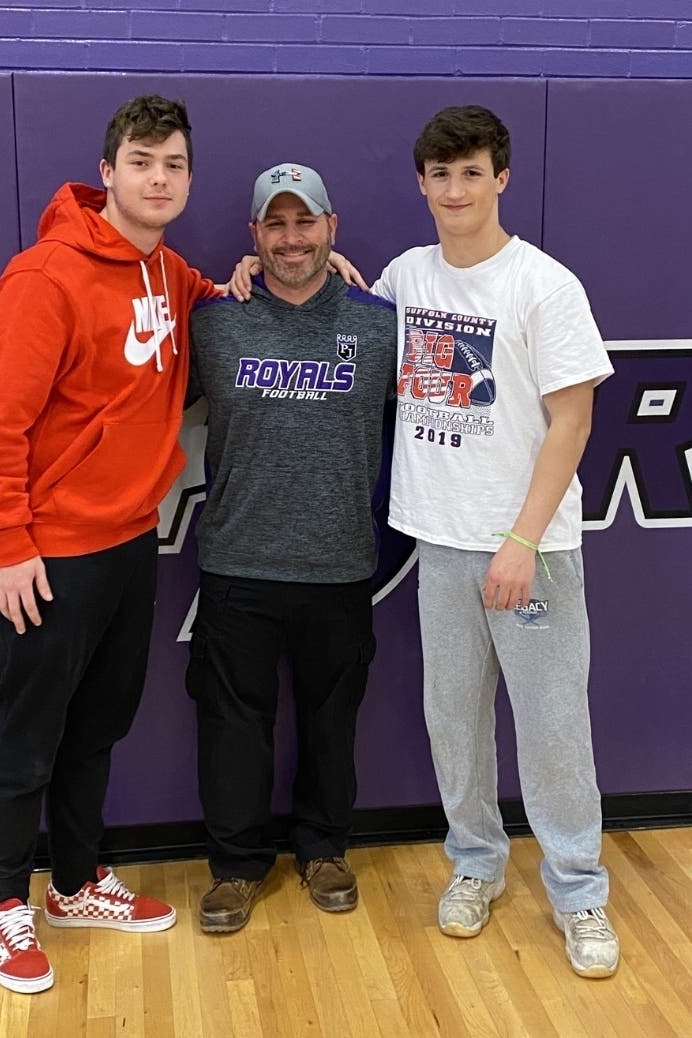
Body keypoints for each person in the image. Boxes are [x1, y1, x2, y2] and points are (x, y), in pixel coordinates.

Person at [0, 93, 238, 995]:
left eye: (175, 165)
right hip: (46, 553)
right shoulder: (45, 278)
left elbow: (212, 298)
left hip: (129, 542)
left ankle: (76, 882)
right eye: (142, 163)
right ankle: (5, 902)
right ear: (108, 171)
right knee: (27, 736)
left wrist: (244, 275)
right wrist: (9, 542)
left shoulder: (168, 272)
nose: (159, 179)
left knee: (97, 728)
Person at [368, 105, 621, 978]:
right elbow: (338, 310)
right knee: (454, 720)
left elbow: (573, 419)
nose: (455, 190)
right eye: (440, 175)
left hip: (529, 549)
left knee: (552, 725)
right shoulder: (405, 278)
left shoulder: (544, 285)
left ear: (501, 178)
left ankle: (579, 892)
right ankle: (475, 863)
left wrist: (520, 539)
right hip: (440, 543)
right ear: (421, 183)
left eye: (471, 173)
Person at [186, 162, 397, 933]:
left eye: (305, 221)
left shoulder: (381, 324)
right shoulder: (214, 322)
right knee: (232, 727)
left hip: (339, 565)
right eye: (275, 224)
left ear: (331, 226)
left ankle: (324, 848)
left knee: (331, 724)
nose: (291, 238)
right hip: (237, 564)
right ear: (255, 235)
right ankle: (236, 866)